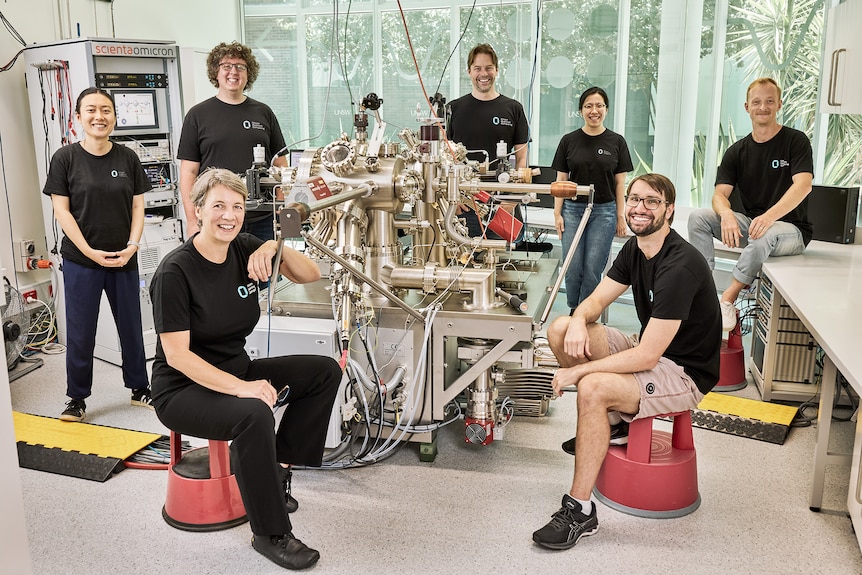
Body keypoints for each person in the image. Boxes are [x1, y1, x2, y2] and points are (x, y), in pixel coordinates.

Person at [150, 168, 340, 570]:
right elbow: (178, 356)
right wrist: (242, 388)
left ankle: (278, 470)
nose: (229, 215)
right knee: (254, 413)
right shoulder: (174, 272)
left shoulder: (243, 248)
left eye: (237, 206)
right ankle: (271, 533)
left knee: (323, 371)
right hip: (181, 388)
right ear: (198, 210)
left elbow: (312, 274)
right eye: (218, 205)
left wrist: (275, 246)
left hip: (235, 369)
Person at [532, 173, 720, 551]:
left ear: (669, 209)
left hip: (683, 371)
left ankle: (580, 511)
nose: (639, 208)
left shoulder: (679, 265)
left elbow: (649, 356)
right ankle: (616, 426)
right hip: (651, 348)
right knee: (560, 328)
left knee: (592, 387)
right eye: (634, 199)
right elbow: (596, 300)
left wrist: (577, 370)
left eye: (651, 201)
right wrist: (581, 321)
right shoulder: (636, 249)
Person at [42, 87, 152, 423]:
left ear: (115, 118)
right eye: (90, 110)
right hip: (80, 260)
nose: (98, 116)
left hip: (123, 257)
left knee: (131, 326)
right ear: (78, 118)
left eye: (105, 110)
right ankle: (76, 398)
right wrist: (89, 251)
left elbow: (138, 205)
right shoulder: (65, 158)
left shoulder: (127, 157)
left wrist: (133, 246)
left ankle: (139, 388)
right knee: (81, 330)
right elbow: (62, 211)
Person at [687, 77, 813, 331]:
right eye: (757, 102)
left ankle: (727, 299)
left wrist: (768, 217)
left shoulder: (795, 141)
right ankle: (704, 293)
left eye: (769, 101)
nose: (763, 107)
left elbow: (803, 185)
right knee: (697, 217)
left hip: (791, 231)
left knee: (763, 231)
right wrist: (727, 215)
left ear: (779, 104)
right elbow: (719, 194)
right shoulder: (737, 151)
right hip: (755, 227)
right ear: (747, 107)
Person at [177, 41, 287, 241]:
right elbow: (188, 173)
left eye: (240, 67)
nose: (233, 72)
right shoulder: (198, 115)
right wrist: (192, 221)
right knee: (218, 271)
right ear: (216, 73)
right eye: (226, 66)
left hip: (261, 218)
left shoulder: (263, 112)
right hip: (217, 218)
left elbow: (280, 165)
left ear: (248, 73)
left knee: (265, 271)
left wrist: (281, 205)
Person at [551, 87, 632, 314]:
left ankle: (585, 314)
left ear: (606, 109)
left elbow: (619, 184)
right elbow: (561, 180)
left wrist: (619, 217)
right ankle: (573, 309)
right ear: (581, 110)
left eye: (599, 105)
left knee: (593, 267)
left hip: (604, 212)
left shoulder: (617, 142)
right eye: (588, 106)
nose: (594, 110)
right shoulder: (569, 141)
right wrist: (557, 213)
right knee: (573, 265)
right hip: (572, 210)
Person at [445, 43, 529, 241]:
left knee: (504, 267)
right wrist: (452, 199)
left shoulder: (513, 108)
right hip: (464, 205)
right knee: (463, 264)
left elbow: (522, 158)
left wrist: (512, 200)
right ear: (469, 71)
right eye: (478, 68)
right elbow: (445, 157)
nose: (484, 73)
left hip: (501, 204)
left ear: (497, 70)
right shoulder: (454, 109)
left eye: (489, 68)